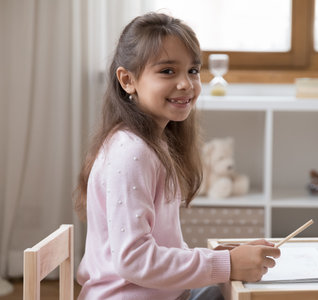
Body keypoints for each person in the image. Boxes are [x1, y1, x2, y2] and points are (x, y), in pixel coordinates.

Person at [74, 12, 280, 300]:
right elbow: (133, 259)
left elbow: (158, 245)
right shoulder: (131, 152)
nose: (186, 84)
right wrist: (226, 264)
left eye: (193, 71)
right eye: (168, 71)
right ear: (127, 80)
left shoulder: (151, 143)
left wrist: (226, 258)